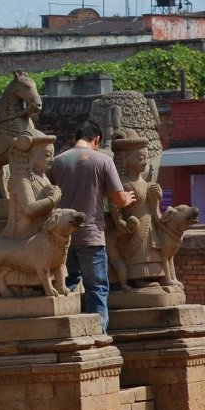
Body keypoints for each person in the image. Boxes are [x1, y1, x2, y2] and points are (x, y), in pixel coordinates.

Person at [48, 120, 135, 332]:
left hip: (61, 238)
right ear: (96, 139)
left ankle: (62, 332)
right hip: (91, 236)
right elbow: (119, 200)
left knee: (65, 285)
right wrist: (129, 199)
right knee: (96, 289)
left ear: (75, 139)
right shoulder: (103, 161)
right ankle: (99, 334)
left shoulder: (57, 162)